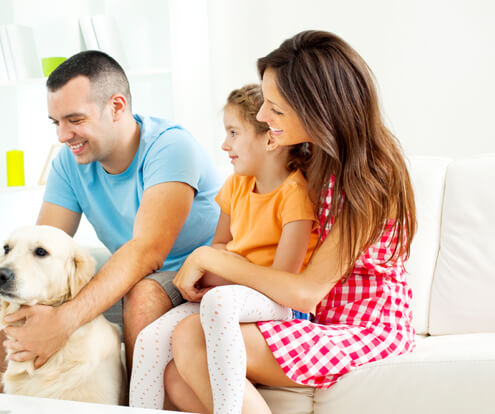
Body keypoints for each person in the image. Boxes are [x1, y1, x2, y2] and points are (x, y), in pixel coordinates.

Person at [161, 30, 418, 414]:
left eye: (276, 109)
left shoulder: (370, 177)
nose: (263, 117)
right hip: (311, 320)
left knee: (192, 337)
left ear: (318, 109)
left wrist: (212, 258)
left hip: (362, 328)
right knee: (175, 379)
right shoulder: (310, 157)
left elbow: (306, 292)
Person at [0, 50, 223, 392]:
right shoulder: (68, 162)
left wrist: (62, 321)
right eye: (56, 122)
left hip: (197, 281)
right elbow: (44, 245)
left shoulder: (171, 147)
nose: (63, 135)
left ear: (117, 107)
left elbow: (147, 252)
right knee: (7, 295)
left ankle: (137, 408)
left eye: (74, 120)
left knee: (143, 297)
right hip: (133, 279)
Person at [130, 84, 316, 412]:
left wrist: (222, 272)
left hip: (280, 304)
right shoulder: (235, 185)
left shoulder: (295, 196)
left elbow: (283, 280)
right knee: (149, 340)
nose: (224, 144)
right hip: (232, 293)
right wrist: (219, 270)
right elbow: (219, 244)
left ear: (270, 140)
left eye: (233, 133)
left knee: (218, 301)